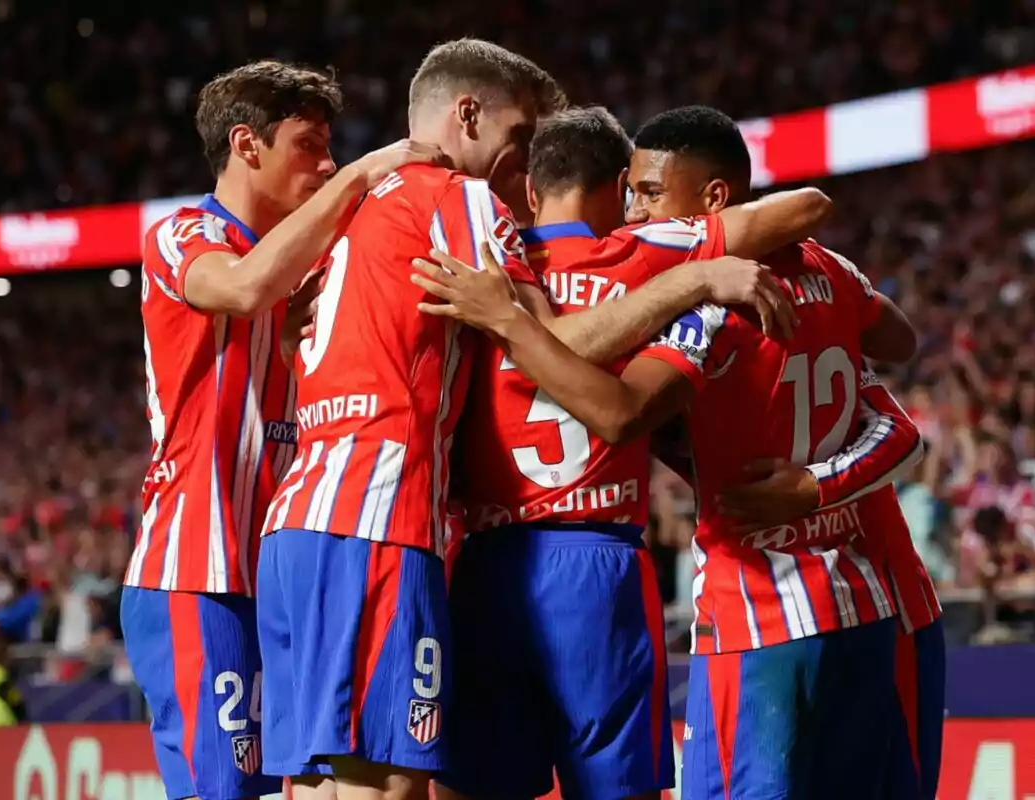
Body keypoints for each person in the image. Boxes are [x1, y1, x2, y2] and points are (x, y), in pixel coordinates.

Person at [255, 41, 786, 800]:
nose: (521, 164)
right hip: (393, 523)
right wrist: (698, 278)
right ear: (467, 114)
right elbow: (564, 348)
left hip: (309, 520)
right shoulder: (468, 204)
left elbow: (278, 314)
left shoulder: (343, 213)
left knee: (325, 778)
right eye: (518, 133)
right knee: (393, 782)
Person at [412, 105, 925, 799]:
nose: (634, 212)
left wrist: (509, 322)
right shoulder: (797, 270)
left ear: (530, 193)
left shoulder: (493, 271)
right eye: (631, 194)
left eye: (648, 195)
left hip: (734, 602)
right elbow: (898, 375)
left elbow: (624, 411)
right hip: (851, 597)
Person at [120, 60, 446, 800]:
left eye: (332, 148)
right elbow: (241, 287)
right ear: (246, 145)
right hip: (193, 574)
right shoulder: (182, 235)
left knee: (312, 786)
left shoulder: (314, 266)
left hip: (282, 571)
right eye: (309, 145)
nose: (325, 162)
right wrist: (360, 177)